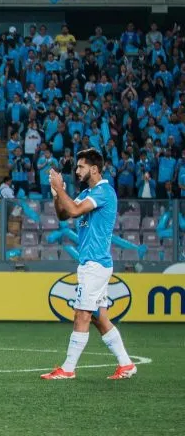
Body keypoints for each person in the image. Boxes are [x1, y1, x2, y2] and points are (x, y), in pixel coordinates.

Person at [42, 150, 136, 381]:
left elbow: (74, 210)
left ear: (94, 169)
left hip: (94, 264)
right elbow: (64, 215)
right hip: (93, 263)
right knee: (97, 317)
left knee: (81, 314)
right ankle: (126, 364)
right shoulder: (87, 192)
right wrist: (56, 193)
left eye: (81, 167)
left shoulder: (104, 191)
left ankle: (68, 368)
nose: (77, 171)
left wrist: (61, 189)